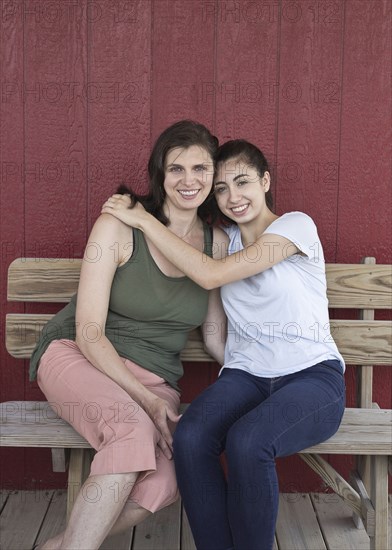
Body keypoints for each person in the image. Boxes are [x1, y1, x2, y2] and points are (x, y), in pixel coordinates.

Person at [102, 139, 346, 550]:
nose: (233, 197)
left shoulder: (294, 226)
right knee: (192, 438)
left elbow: (212, 276)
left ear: (265, 181)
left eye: (243, 182)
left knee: (249, 441)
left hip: (311, 378)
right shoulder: (223, 241)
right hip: (246, 376)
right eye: (221, 188)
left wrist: (144, 221)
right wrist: (237, 364)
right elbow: (215, 329)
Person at [30, 120, 228, 550]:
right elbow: (89, 332)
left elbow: (214, 336)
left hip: (156, 379)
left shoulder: (218, 244)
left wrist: (264, 379)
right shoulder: (119, 225)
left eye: (200, 168)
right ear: (159, 173)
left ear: (214, 175)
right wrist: (147, 402)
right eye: (176, 169)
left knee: (172, 476)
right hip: (80, 357)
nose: (189, 180)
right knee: (131, 432)